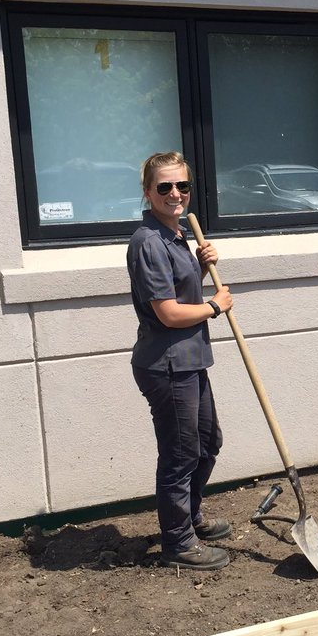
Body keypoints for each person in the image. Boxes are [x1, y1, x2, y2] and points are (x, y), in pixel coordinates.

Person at [127, 152, 235, 568]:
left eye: (182, 186)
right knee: (180, 453)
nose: (175, 194)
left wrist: (202, 270)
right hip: (166, 365)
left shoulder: (176, 234)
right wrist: (215, 306)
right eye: (165, 187)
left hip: (190, 359)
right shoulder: (148, 242)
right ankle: (178, 543)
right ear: (148, 191)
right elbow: (169, 313)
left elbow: (181, 296)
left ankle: (188, 519)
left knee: (208, 443)